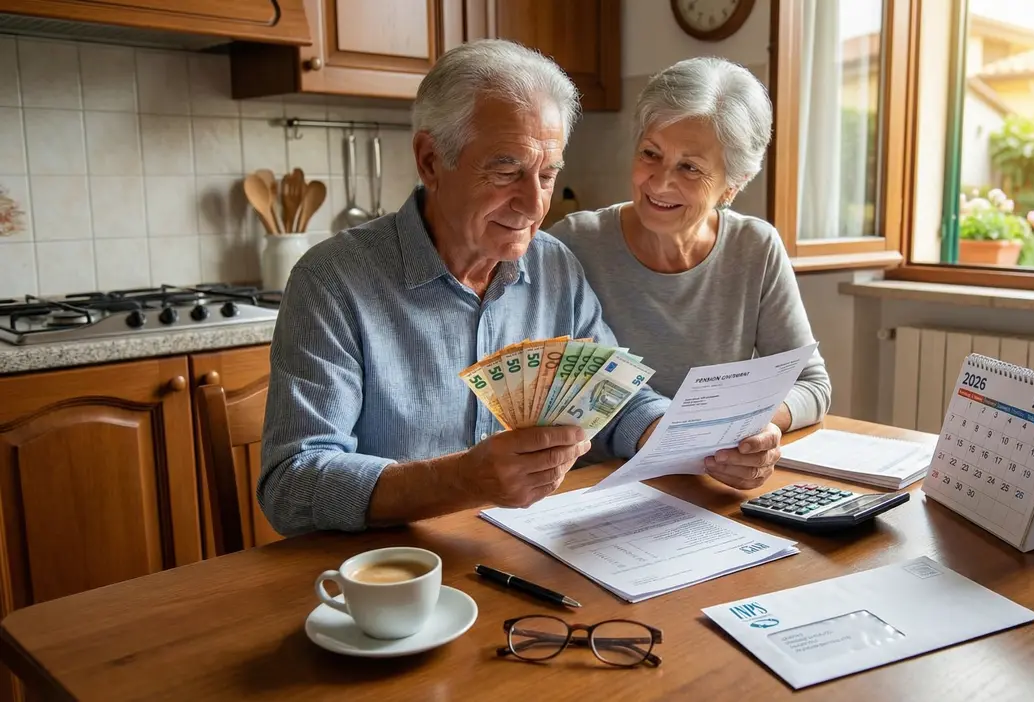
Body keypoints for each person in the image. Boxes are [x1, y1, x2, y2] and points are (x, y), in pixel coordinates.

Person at [259, 41, 783, 537]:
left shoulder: (554, 265)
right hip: (391, 574)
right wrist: (460, 481)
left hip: (526, 554)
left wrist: (701, 439)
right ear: (429, 161)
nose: (535, 206)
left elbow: (615, 402)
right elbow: (292, 485)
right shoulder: (332, 281)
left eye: (548, 175)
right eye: (506, 169)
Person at [549, 57, 831, 454]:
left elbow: (812, 385)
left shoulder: (755, 248)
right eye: (650, 153)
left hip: (709, 473)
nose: (661, 182)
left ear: (733, 185)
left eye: (690, 168)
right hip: (597, 481)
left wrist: (754, 427)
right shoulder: (573, 244)